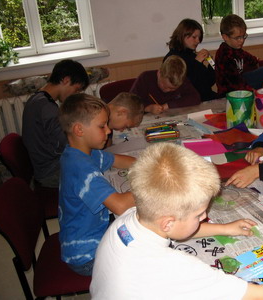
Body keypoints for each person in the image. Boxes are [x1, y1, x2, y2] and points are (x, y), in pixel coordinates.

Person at [90, 142, 263, 300]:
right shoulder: (173, 267)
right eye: (200, 215)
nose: (205, 218)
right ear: (168, 222)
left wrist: (224, 229)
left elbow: (176, 230)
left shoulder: (128, 220)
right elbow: (255, 294)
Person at [58, 93, 136, 276]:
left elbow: (117, 159)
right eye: (102, 126)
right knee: (149, 258)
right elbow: (119, 205)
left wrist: (150, 163)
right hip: (87, 256)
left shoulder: (82, 152)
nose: (109, 131)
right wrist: (157, 184)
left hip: (93, 232)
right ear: (79, 130)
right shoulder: (80, 167)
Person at [22, 59, 89, 188]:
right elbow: (66, 144)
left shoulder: (38, 99)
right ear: (66, 80)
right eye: (76, 89)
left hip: (44, 165)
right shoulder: (46, 107)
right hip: (50, 173)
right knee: (96, 166)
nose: (75, 94)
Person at [215, 14, 263, 97]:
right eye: (237, 38)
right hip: (230, 92)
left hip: (240, 82)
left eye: (243, 36)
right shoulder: (224, 56)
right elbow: (235, 82)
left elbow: (246, 56)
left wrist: (255, 60)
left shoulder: (236, 48)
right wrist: (252, 91)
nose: (241, 41)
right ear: (225, 37)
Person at [164, 18, 218, 101]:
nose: (198, 41)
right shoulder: (172, 58)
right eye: (194, 37)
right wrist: (197, 63)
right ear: (182, 36)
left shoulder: (192, 55)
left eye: (199, 37)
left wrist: (212, 63)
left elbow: (208, 82)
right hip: (190, 101)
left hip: (206, 97)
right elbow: (185, 87)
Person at [130, 55, 201, 115]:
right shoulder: (145, 78)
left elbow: (195, 98)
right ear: (159, 73)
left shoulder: (181, 80)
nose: (168, 90)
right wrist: (147, 108)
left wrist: (168, 105)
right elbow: (130, 103)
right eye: (164, 86)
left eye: (173, 89)